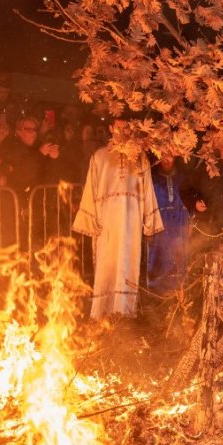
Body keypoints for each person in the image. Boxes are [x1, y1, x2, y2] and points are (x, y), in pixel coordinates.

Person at [72, 118, 164, 320]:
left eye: (127, 128)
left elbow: (147, 188)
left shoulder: (140, 158)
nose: (122, 131)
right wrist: (91, 217)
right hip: (107, 220)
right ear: (111, 129)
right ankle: (103, 313)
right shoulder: (99, 157)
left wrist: (149, 220)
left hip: (131, 218)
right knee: (107, 262)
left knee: (127, 262)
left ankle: (124, 312)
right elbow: (91, 187)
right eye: (119, 128)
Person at [146, 155, 190, 296]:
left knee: (179, 255)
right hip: (160, 223)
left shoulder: (183, 178)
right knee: (158, 256)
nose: (167, 158)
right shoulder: (151, 180)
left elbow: (189, 202)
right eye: (163, 155)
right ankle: (156, 294)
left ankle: (178, 293)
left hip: (179, 222)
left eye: (169, 155)